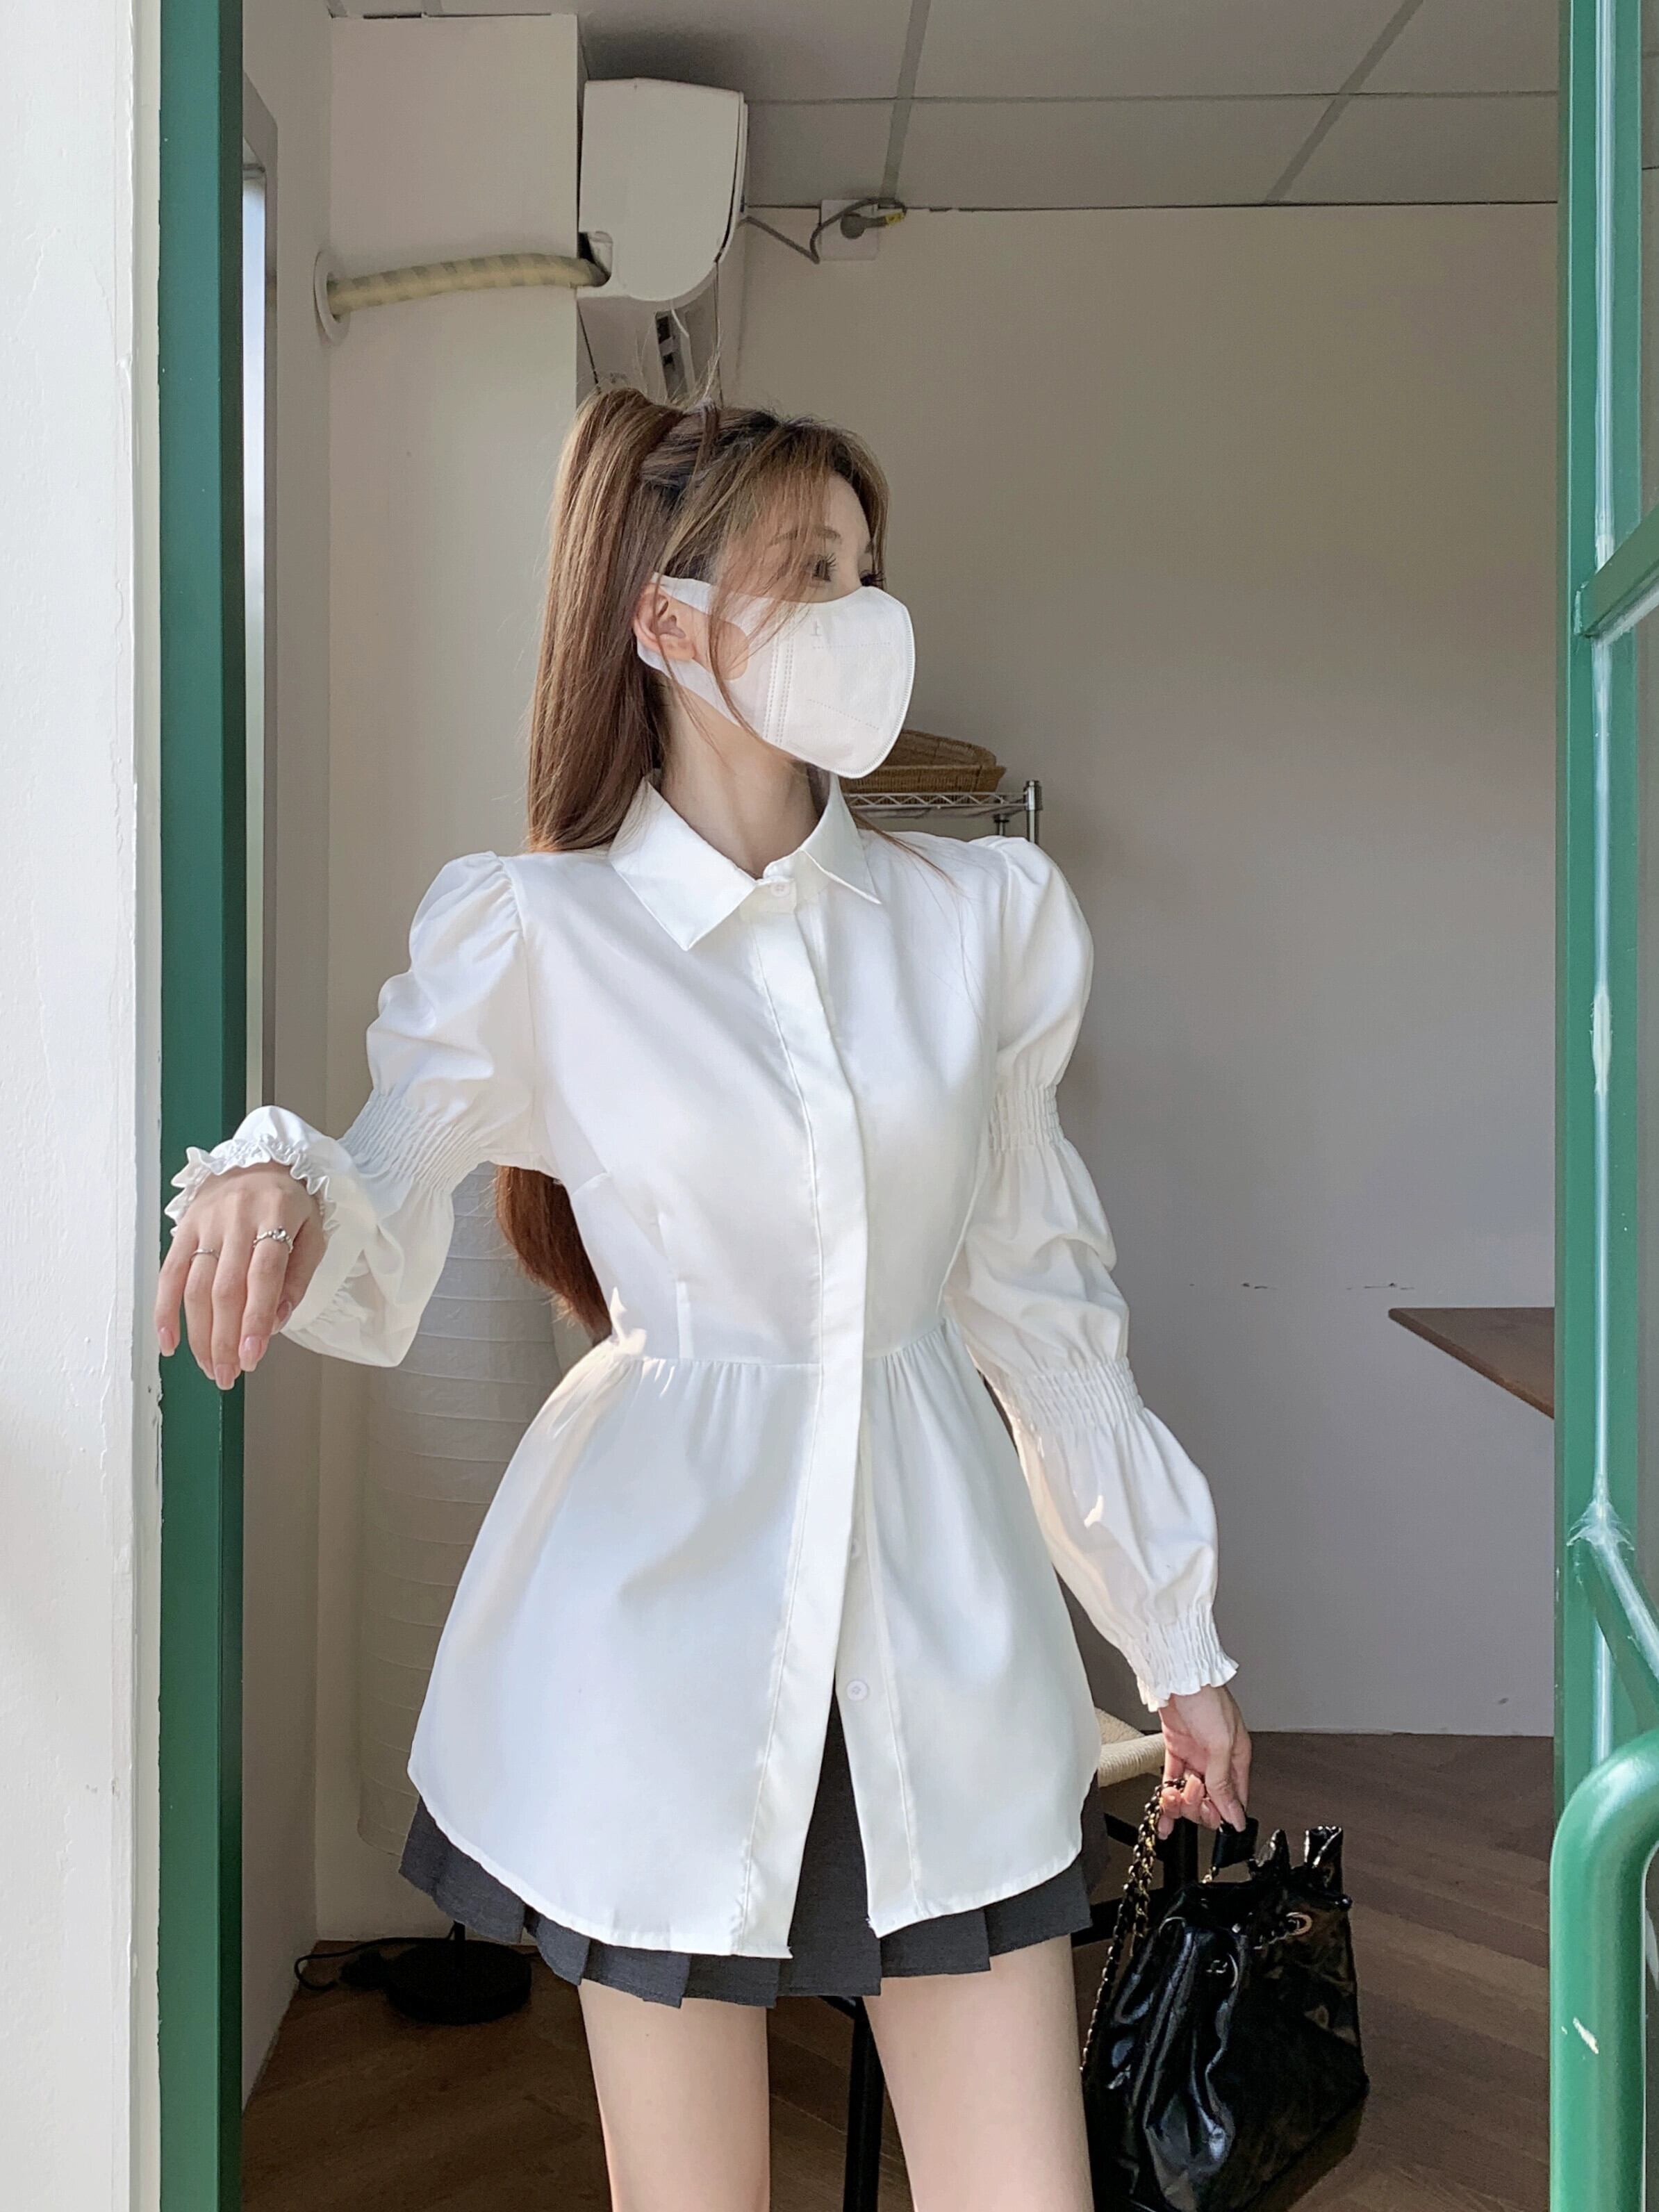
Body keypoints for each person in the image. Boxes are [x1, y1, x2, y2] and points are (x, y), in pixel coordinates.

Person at [155, 388, 1250, 2212]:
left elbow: (1043, 1312)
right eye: (806, 569)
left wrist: (1172, 1633)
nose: (861, 612)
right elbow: (379, 1185)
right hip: (651, 1646)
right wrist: (266, 1172)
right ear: (663, 621)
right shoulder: (539, 929)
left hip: (942, 1623)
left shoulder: (973, 921)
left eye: (865, 568)